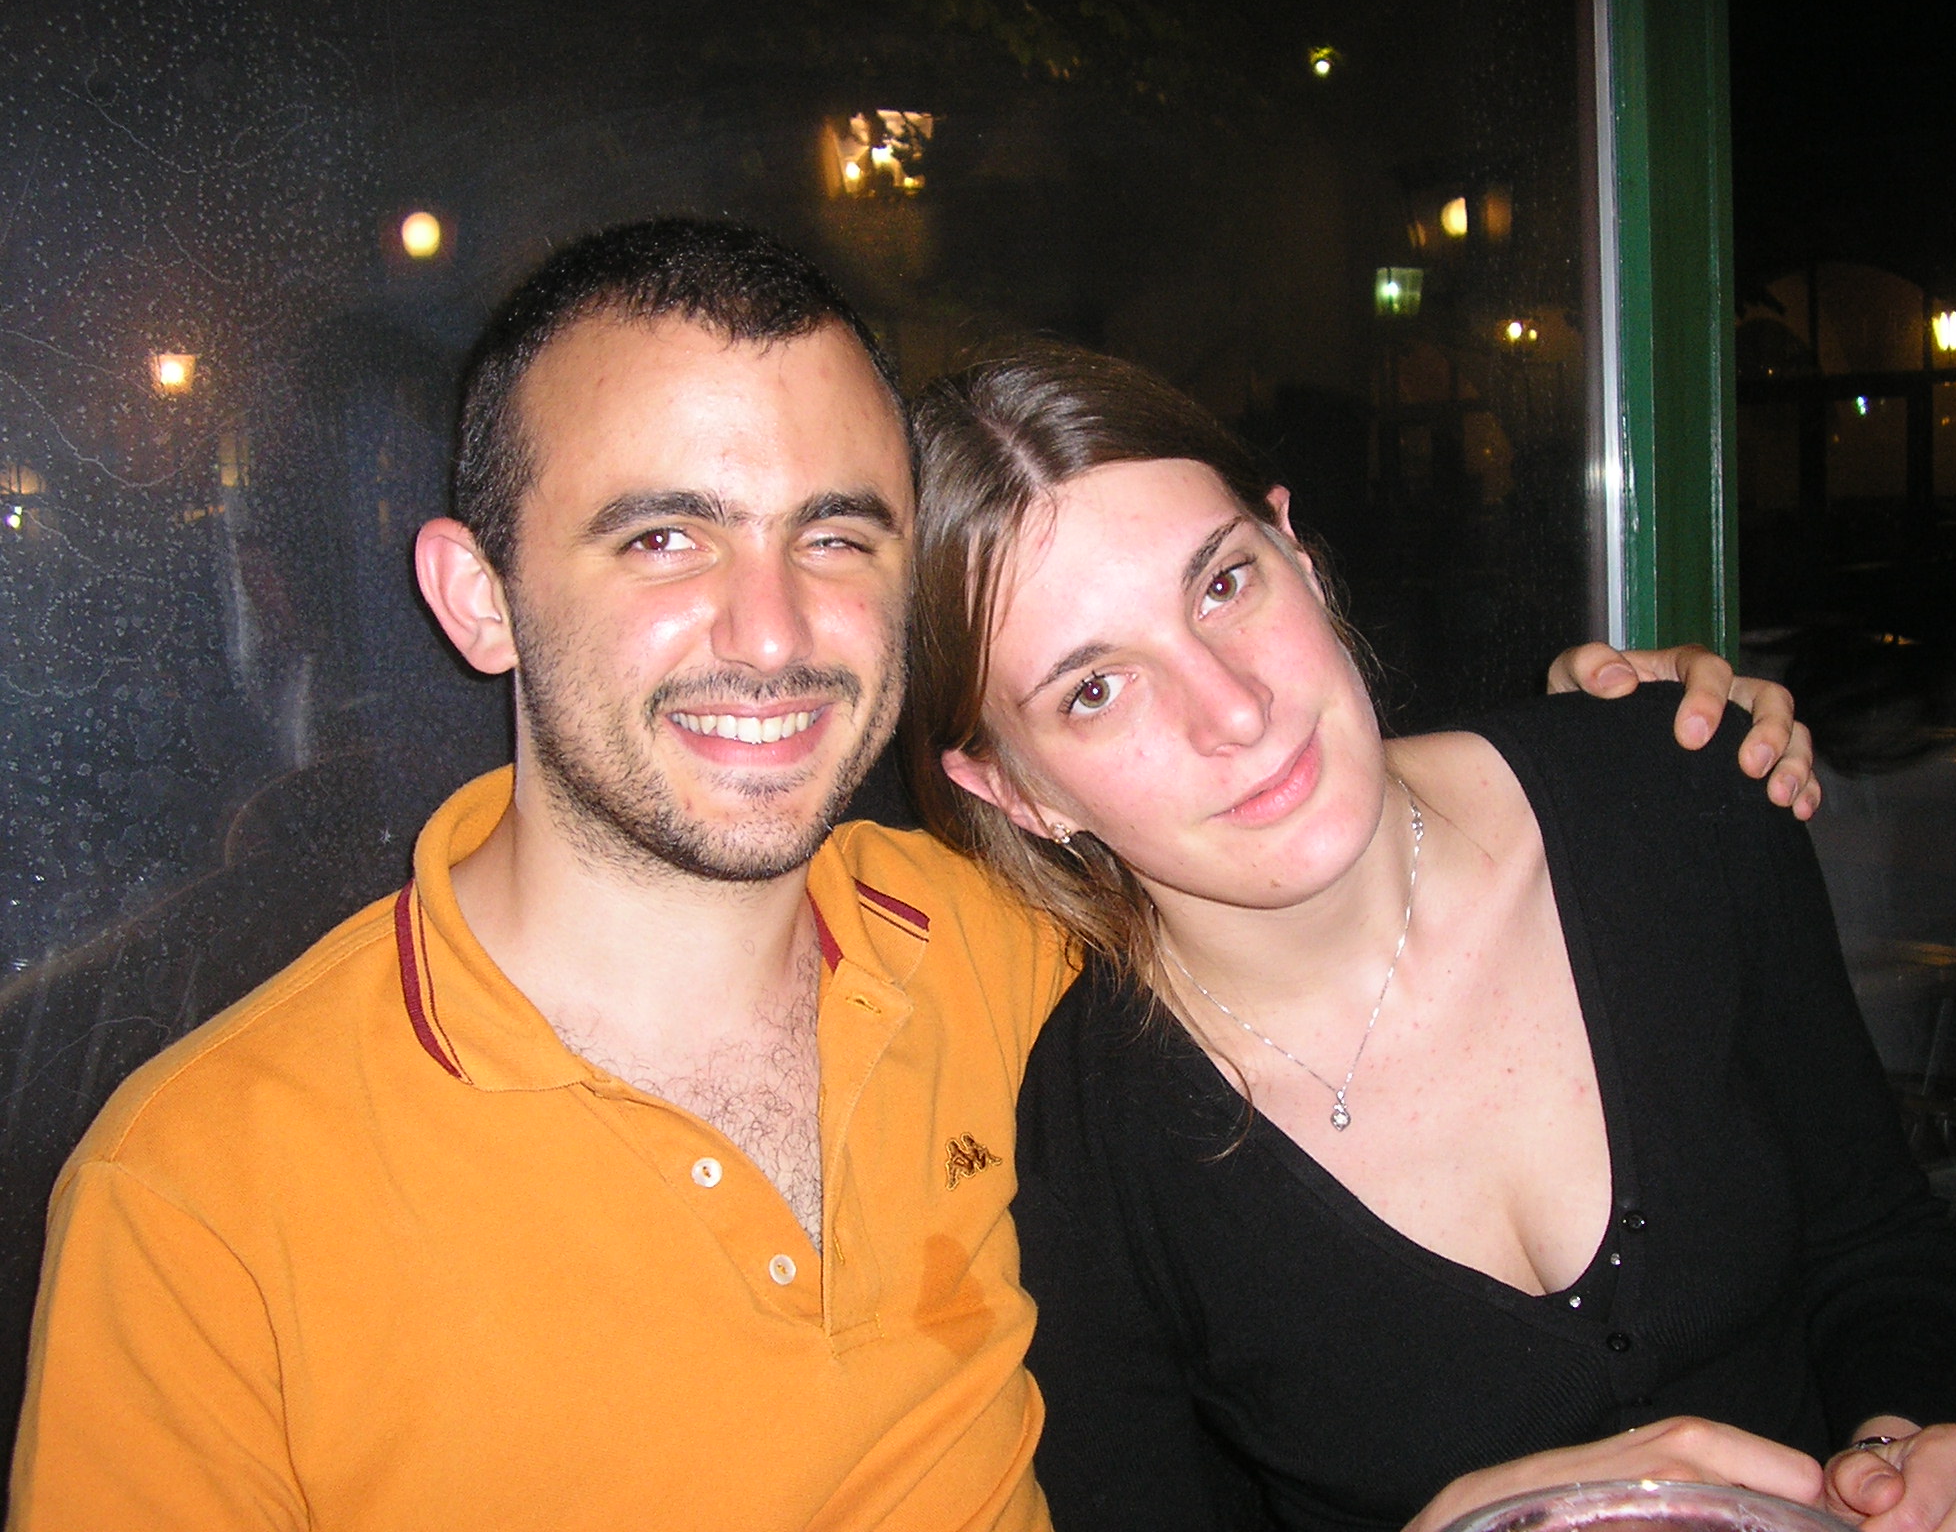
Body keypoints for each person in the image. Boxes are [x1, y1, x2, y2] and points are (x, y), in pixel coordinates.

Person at [9, 221, 1809, 1531]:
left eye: (836, 536)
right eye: (665, 536)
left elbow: (1264, 817)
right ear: (477, 598)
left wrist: (1636, 736)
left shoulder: (995, 946)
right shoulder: (202, 1203)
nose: (771, 630)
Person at [903, 342, 1956, 1532]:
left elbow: (1873, 1244)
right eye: (1093, 689)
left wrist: (1892, 1460)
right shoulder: (1086, 1144)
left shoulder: (1675, 794)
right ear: (1013, 791)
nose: (1234, 709)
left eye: (1223, 584)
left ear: (1295, 549)